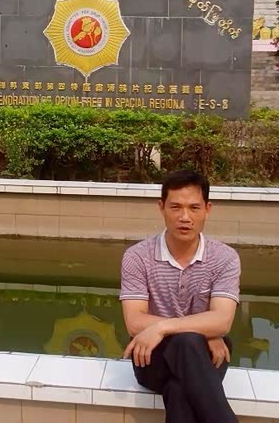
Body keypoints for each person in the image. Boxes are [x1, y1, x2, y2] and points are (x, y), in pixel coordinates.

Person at [119, 169, 240, 423]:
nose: (185, 217)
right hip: (152, 357)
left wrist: (162, 327)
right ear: (161, 207)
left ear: (207, 209)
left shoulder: (224, 258)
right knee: (187, 342)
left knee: (179, 390)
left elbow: (223, 321)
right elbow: (134, 322)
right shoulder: (137, 257)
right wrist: (206, 331)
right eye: (175, 207)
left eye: (194, 208)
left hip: (208, 354)